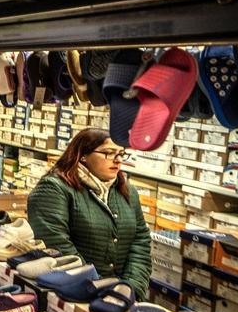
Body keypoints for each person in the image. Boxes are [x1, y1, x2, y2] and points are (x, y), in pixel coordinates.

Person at [27, 128, 152, 299]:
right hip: (71, 296)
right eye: (108, 153)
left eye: (121, 154)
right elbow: (56, 244)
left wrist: (130, 289)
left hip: (120, 299)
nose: (118, 160)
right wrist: (96, 287)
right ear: (83, 155)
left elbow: (141, 241)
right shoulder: (55, 188)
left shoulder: (127, 192)